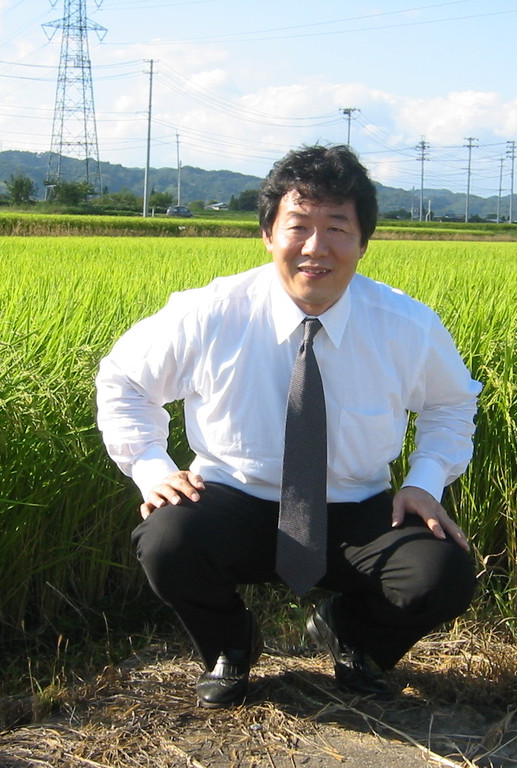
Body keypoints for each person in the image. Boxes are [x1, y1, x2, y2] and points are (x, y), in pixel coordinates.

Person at [96, 144, 481, 708]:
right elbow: (124, 379)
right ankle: (231, 646)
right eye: (297, 226)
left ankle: (352, 635)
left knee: (443, 569)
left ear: (363, 242)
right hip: (235, 498)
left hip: (357, 508)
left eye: (337, 229)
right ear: (268, 235)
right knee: (168, 539)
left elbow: (452, 403)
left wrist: (425, 481)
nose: (315, 248)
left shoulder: (406, 325)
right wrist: (152, 467)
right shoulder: (211, 311)